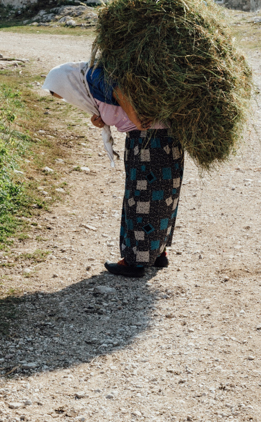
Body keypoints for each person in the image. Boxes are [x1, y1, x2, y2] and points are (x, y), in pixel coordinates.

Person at [44, 62, 185, 279]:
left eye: (63, 94)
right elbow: (116, 104)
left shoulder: (95, 75)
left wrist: (137, 121)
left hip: (149, 142)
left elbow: (121, 91)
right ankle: (157, 253)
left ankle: (134, 262)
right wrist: (100, 118)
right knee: (164, 197)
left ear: (65, 82)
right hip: (163, 140)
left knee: (142, 201)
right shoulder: (91, 81)